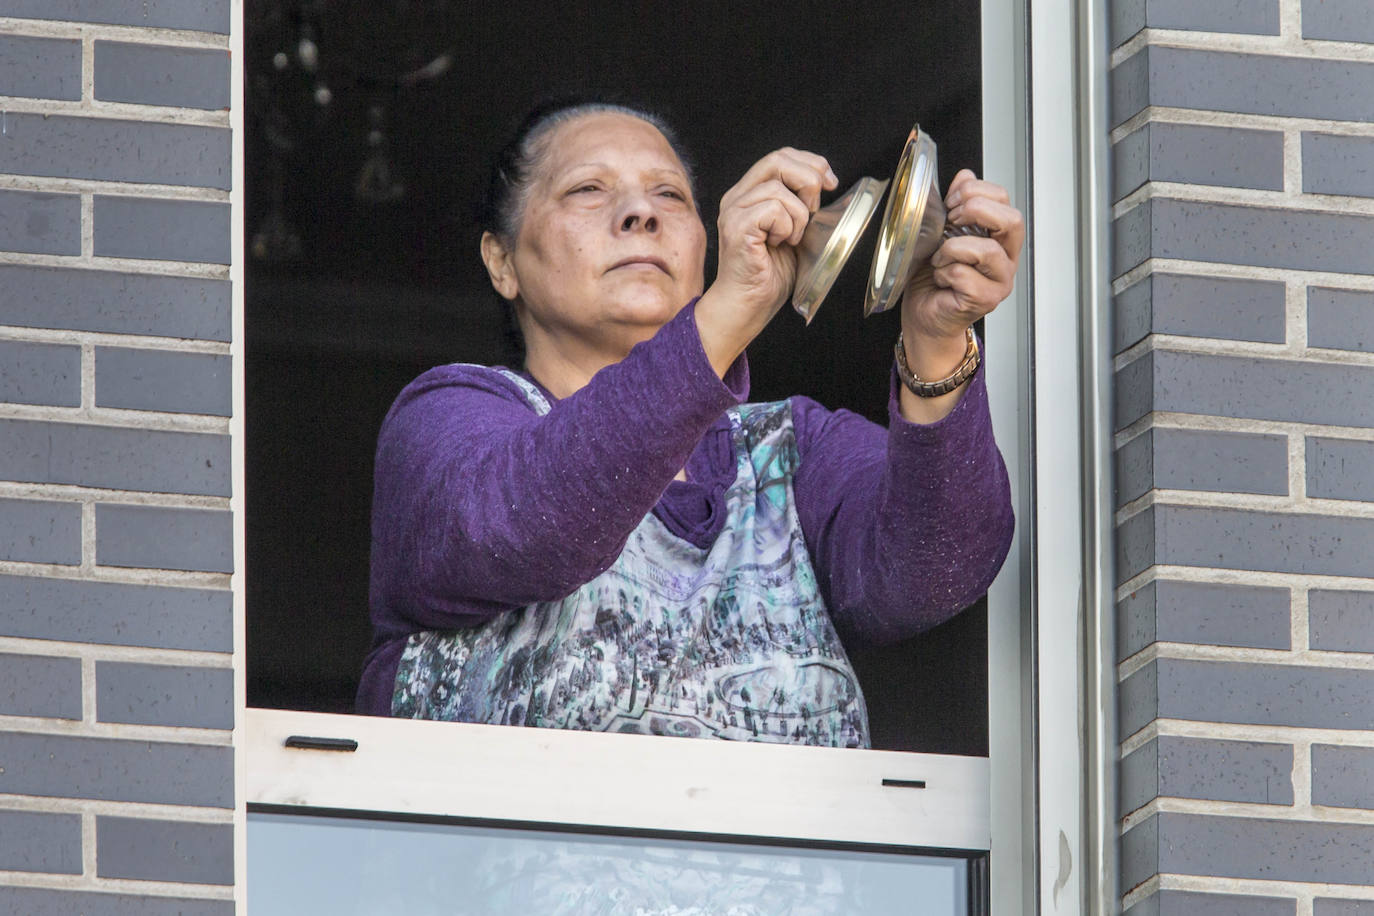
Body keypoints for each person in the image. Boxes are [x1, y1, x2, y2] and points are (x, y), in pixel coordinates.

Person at [356, 98, 1021, 749]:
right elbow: (524, 525)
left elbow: (932, 573)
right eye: (588, 189)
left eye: (669, 196)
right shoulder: (446, 417)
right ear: (502, 261)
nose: (640, 212)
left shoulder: (791, 453)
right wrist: (733, 311)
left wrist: (938, 339)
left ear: (704, 244)